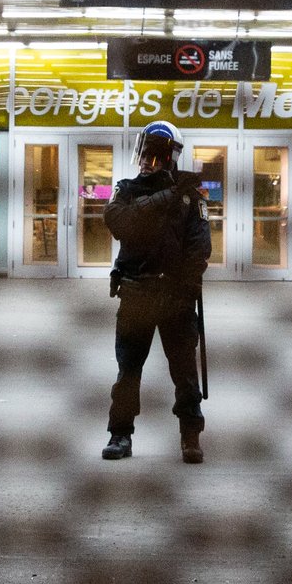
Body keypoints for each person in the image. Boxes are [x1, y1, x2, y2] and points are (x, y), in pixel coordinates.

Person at [101, 120, 211, 463]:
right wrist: (168, 195)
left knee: (184, 373)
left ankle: (190, 437)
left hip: (175, 297)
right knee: (128, 371)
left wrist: (186, 288)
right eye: (146, 152)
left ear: (169, 156)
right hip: (136, 293)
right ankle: (120, 435)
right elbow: (119, 223)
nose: (149, 160)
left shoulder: (191, 196)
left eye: (155, 154)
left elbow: (199, 248)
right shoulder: (128, 189)